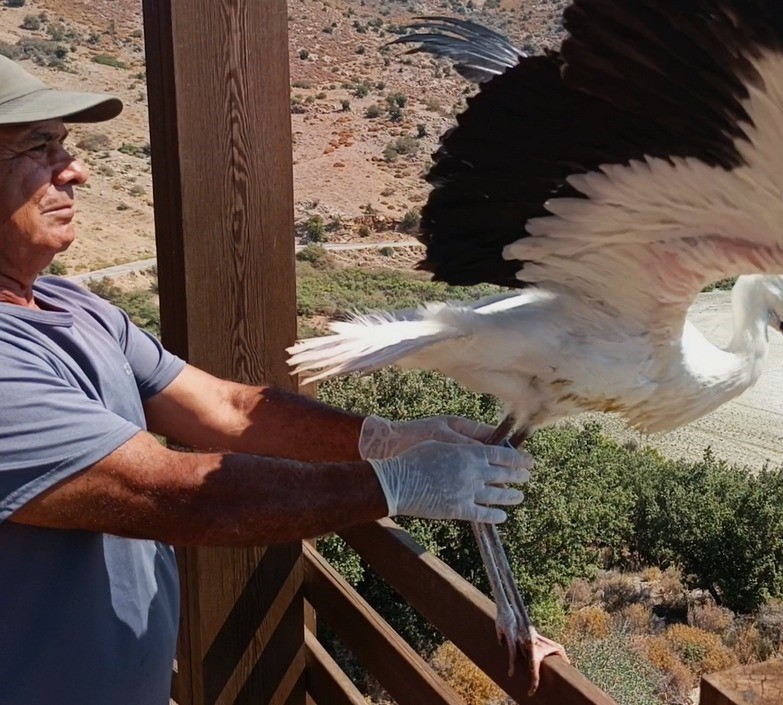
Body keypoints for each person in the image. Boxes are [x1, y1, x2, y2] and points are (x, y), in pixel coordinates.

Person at [0, 55, 533, 704]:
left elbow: (228, 406)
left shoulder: (72, 307)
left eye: (66, 143)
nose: (75, 169)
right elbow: (177, 495)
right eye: (39, 145)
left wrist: (381, 437)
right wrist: (395, 483)